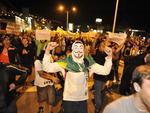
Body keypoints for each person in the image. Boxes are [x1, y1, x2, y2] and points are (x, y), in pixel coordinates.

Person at [42, 41, 112, 113]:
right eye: (76, 47)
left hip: (82, 99)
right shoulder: (65, 62)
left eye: (80, 47)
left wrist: (109, 57)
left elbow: (105, 71)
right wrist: (47, 51)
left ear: (83, 49)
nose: (78, 50)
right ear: (72, 49)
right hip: (69, 99)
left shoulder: (88, 63)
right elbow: (46, 67)